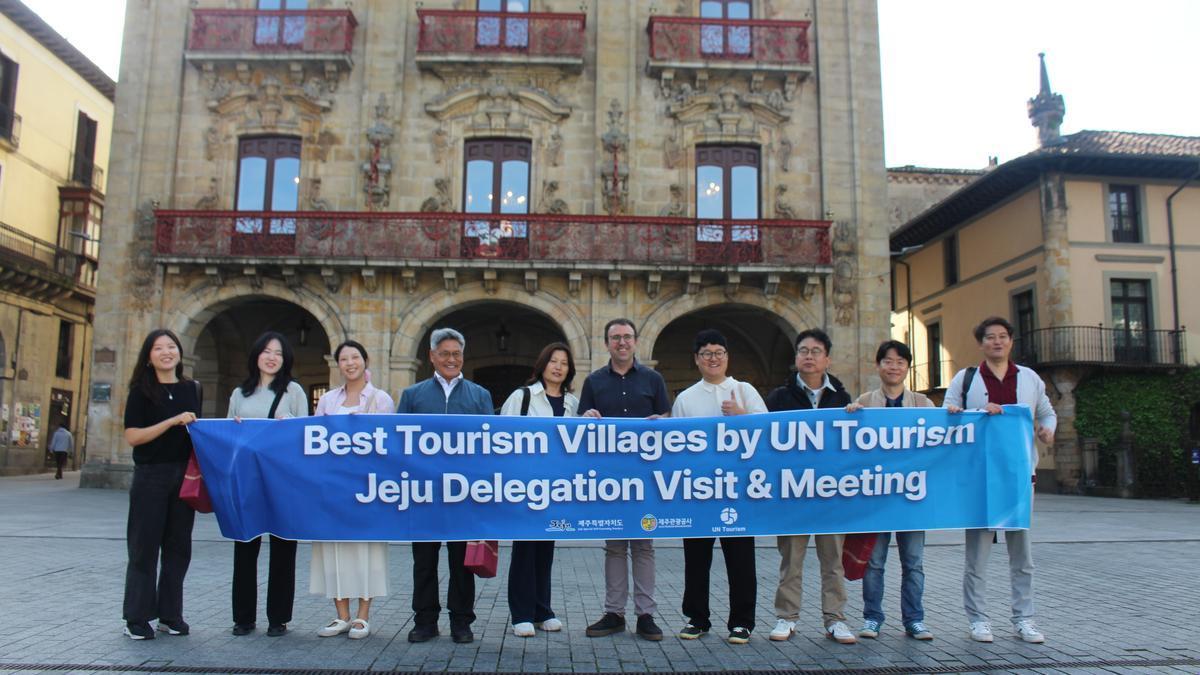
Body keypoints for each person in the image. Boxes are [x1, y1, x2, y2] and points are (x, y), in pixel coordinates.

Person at [945, 316, 1056, 644]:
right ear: (981, 344)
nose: (997, 342)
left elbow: (1046, 412)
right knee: (977, 554)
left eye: (1003, 336)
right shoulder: (966, 379)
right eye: (990, 337)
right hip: (980, 477)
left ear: (1011, 341)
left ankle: (1024, 618)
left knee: (1022, 553)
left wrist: (1047, 430)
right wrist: (969, 414)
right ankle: (978, 619)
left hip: (1019, 476)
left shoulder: (1029, 378)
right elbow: (947, 415)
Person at [398, 327, 494, 644]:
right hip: (423, 494)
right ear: (432, 356)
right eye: (445, 354)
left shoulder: (480, 396)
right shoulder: (413, 395)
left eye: (456, 354)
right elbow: (400, 444)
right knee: (424, 562)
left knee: (461, 562)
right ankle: (425, 621)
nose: (451, 359)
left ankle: (461, 621)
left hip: (464, 495)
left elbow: (489, 446)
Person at [672, 329, 766, 645]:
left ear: (727, 357)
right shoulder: (685, 398)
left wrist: (741, 416)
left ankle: (742, 622)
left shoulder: (744, 390)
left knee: (740, 559)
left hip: (737, 490)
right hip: (698, 491)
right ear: (697, 359)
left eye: (719, 353)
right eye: (707, 353)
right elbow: (675, 445)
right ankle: (697, 618)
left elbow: (768, 432)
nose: (713, 358)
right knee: (696, 559)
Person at [579, 318, 671, 641]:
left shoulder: (653, 379)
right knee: (615, 546)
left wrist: (662, 421)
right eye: (615, 337)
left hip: (646, 477)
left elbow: (668, 419)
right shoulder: (593, 381)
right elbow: (581, 424)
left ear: (635, 341)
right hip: (610, 478)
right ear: (607, 343)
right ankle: (614, 614)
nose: (622, 342)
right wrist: (586, 417)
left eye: (627, 336)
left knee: (644, 545)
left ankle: (646, 615)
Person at [764, 328, 856, 644]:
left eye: (816, 351)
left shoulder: (842, 399)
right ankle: (786, 617)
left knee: (833, 562)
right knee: (791, 560)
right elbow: (763, 439)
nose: (809, 356)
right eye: (803, 351)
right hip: (793, 493)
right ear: (796, 358)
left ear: (827, 359)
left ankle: (836, 619)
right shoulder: (779, 397)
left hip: (831, 493)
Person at [845, 340, 935, 641]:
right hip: (877, 497)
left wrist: (954, 415)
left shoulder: (923, 404)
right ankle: (872, 617)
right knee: (874, 562)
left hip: (912, 497)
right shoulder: (865, 401)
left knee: (914, 563)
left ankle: (914, 619)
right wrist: (850, 415)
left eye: (900, 362)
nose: (893, 367)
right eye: (888, 361)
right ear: (878, 366)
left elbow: (941, 439)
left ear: (907, 367)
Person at [310, 340, 395, 640]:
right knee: (333, 548)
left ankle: (363, 615)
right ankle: (341, 614)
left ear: (365, 360)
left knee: (366, 549)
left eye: (355, 357)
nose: (350, 363)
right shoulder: (327, 400)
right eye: (344, 359)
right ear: (338, 365)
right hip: (333, 486)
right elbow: (313, 438)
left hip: (368, 486)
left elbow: (388, 443)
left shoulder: (381, 399)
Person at [228, 331, 309, 638]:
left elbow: (305, 435)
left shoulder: (294, 391)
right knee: (245, 548)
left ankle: (279, 617)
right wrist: (235, 428)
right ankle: (243, 617)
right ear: (256, 355)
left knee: (283, 550)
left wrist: (290, 426)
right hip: (248, 479)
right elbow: (227, 438)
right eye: (266, 351)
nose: (272, 357)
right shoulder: (239, 393)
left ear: (285, 359)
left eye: (278, 353)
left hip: (284, 480)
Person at [121, 329, 200, 640]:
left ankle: (170, 615)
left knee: (178, 549)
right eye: (158, 348)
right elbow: (132, 436)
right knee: (144, 548)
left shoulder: (191, 389)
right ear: (148, 357)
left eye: (171, 346)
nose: (166, 352)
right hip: (150, 475)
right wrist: (171, 421)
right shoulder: (140, 391)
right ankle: (136, 617)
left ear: (179, 352)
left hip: (183, 476)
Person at [498, 342, 579, 637]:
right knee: (525, 549)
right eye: (553, 361)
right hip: (524, 486)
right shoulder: (522, 397)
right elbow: (502, 438)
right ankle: (521, 614)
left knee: (546, 549)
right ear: (543, 364)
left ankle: (542, 610)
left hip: (556, 487)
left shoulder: (573, 403)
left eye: (564, 363)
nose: (558, 367)